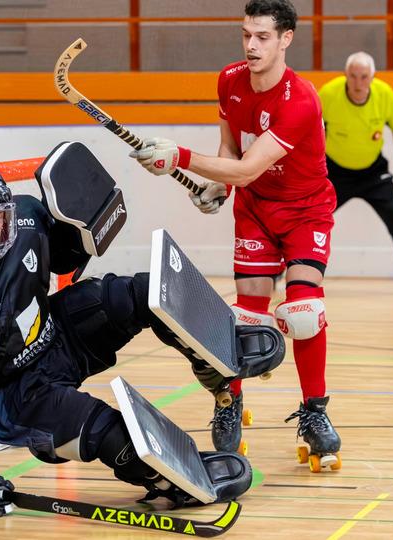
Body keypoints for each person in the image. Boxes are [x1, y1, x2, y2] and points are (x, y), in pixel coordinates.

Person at [0, 165, 256, 517]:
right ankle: (169, 480)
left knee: (141, 292)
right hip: (17, 395)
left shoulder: (28, 216)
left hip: (57, 337)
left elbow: (66, 258)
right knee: (108, 430)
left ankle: (211, 359)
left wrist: (80, 222)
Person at [129, 0, 342, 471]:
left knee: (304, 309)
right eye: (246, 34)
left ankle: (314, 412)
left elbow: (247, 166)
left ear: (286, 38)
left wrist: (183, 157)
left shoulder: (301, 99)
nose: (251, 45)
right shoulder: (229, 81)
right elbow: (231, 150)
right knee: (246, 317)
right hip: (256, 212)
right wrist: (215, 186)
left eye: (262, 36)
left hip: (306, 212)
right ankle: (228, 404)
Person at [319, 51, 393, 291]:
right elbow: (309, 129)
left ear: (372, 77)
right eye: (353, 76)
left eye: (364, 77)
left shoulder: (385, 94)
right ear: (346, 75)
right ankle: (278, 270)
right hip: (335, 172)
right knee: (310, 219)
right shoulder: (328, 94)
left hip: (373, 173)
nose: (358, 83)